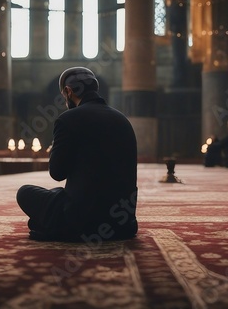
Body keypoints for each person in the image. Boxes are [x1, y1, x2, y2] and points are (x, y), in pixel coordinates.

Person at [16, 67, 138, 242]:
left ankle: (62, 228)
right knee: (58, 193)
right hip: (122, 224)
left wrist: (56, 149)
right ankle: (57, 225)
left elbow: (57, 173)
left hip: (84, 220)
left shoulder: (67, 120)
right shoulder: (122, 120)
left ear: (68, 91)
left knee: (25, 192)